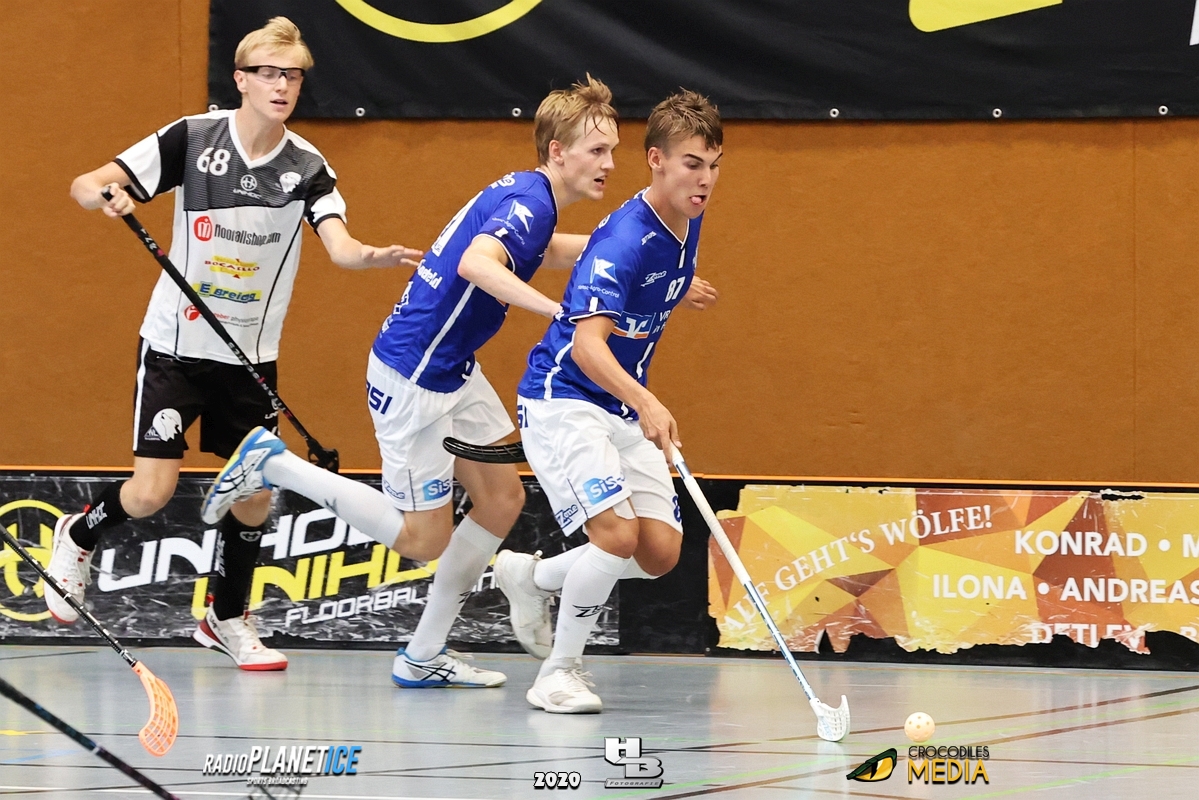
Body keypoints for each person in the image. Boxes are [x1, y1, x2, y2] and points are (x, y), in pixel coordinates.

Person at [200, 77, 623, 688]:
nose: (609, 164)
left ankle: (422, 655)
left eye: (612, 151)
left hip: (452, 367)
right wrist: (559, 313)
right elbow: (478, 263)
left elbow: (543, 251)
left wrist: (619, 251)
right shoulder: (529, 204)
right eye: (597, 150)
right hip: (415, 376)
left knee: (502, 498)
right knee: (423, 539)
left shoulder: (531, 198)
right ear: (558, 151)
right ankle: (274, 464)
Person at [47, 17, 422, 671]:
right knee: (150, 493)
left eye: (293, 76)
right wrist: (104, 195)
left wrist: (371, 257)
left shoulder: (308, 166)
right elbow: (86, 183)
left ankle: (225, 618)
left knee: (253, 496)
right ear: (241, 79)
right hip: (174, 346)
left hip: (248, 358)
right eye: (269, 74)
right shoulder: (194, 138)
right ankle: (78, 533)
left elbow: (340, 245)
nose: (282, 86)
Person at [497, 90, 723, 713]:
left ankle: (531, 577)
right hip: (564, 397)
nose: (705, 180)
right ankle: (558, 673)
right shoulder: (624, 239)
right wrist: (647, 402)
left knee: (659, 553)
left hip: (617, 404)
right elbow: (587, 345)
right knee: (617, 536)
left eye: (713, 165)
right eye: (692, 164)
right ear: (656, 160)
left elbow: (649, 283)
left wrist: (680, 286)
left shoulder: (686, 219)